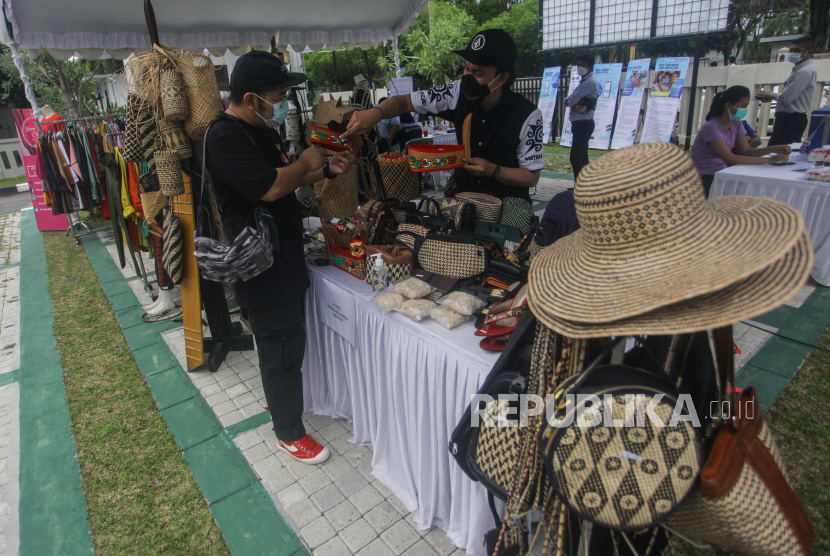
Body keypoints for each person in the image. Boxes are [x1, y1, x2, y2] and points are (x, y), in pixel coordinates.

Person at [204, 50, 357, 464]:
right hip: (261, 267)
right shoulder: (224, 137)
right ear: (252, 98)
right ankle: (289, 431)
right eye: (280, 95)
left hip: (282, 256)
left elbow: (288, 180)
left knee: (287, 341)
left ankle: (282, 401)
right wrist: (307, 159)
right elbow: (272, 187)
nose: (285, 102)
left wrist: (325, 172)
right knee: (281, 346)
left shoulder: (258, 129)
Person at [342, 29, 544, 201]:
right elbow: (404, 102)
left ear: (502, 78)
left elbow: (531, 176)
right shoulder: (456, 92)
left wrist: (494, 170)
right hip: (464, 201)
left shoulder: (527, 115)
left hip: (507, 205)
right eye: (466, 68)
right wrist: (376, 113)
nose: (468, 78)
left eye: (478, 74)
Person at [691, 85, 790, 196]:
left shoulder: (736, 124)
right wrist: (769, 160)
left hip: (722, 172)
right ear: (728, 106)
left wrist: (773, 149)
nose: (744, 110)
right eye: (743, 106)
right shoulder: (711, 127)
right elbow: (730, 158)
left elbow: (746, 151)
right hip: (705, 176)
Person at [757, 36, 817, 146]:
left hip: (792, 120)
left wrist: (770, 94)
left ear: (809, 51)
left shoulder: (804, 72)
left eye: (797, 50)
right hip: (787, 119)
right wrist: (771, 97)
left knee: (780, 153)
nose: (793, 53)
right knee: (775, 151)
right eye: (792, 50)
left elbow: (787, 97)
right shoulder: (799, 70)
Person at [565, 55, 598, 181]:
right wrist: (570, 100)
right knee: (583, 158)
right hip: (579, 124)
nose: (579, 67)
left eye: (583, 65)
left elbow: (572, 100)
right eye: (578, 64)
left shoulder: (589, 82)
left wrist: (571, 100)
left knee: (576, 158)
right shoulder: (583, 81)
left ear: (590, 67)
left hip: (584, 124)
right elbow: (569, 100)